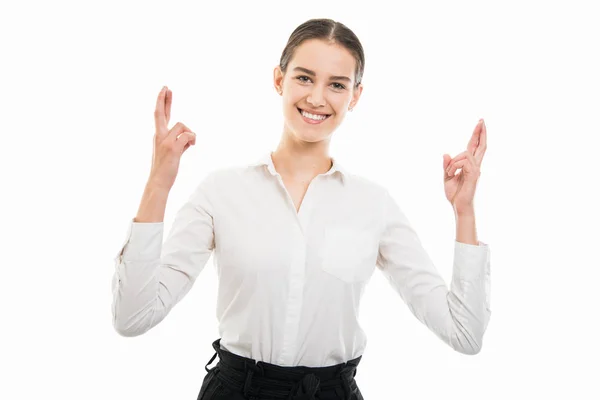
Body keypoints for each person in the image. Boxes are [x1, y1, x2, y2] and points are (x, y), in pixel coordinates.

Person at [111, 18, 491, 400]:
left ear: (355, 96)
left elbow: (465, 333)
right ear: (279, 79)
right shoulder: (221, 192)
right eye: (304, 78)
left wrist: (465, 213)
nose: (316, 98)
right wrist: (158, 183)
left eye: (337, 85)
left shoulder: (374, 206)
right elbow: (133, 318)